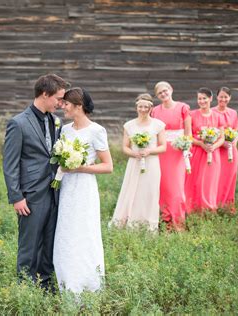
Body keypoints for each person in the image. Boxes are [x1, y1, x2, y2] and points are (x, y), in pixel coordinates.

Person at [3, 74, 68, 290]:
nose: (61, 103)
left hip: (54, 192)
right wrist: (16, 197)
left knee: (49, 243)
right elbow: (10, 164)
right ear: (44, 94)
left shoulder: (55, 121)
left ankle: (46, 287)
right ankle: (25, 289)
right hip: (30, 195)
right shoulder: (18, 123)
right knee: (29, 246)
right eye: (58, 98)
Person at [53, 88, 113, 294]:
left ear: (79, 106)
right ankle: (67, 280)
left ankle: (88, 282)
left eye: (67, 103)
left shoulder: (97, 131)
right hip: (67, 186)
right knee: (66, 231)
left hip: (85, 187)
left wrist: (80, 168)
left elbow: (108, 166)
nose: (63, 106)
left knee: (84, 231)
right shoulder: (65, 130)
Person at [110, 93, 166, 231]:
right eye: (140, 106)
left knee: (150, 192)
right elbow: (125, 147)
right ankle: (132, 222)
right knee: (132, 191)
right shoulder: (129, 125)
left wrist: (149, 151)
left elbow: (163, 146)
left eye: (146, 107)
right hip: (134, 163)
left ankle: (149, 224)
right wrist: (135, 153)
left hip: (152, 162)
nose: (143, 109)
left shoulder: (158, 125)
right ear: (136, 107)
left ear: (150, 107)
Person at [151, 81, 191, 230]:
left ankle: (178, 221)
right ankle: (165, 220)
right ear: (157, 96)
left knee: (177, 188)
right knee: (163, 186)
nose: (163, 94)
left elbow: (188, 131)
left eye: (165, 90)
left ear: (171, 89)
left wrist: (186, 147)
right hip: (161, 151)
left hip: (178, 151)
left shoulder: (183, 108)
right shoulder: (154, 111)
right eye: (160, 93)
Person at [185, 88, 224, 212]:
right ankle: (193, 208)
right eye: (199, 99)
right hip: (197, 152)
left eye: (204, 98)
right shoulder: (191, 114)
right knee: (195, 181)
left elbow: (222, 137)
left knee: (210, 181)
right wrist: (201, 144)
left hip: (213, 153)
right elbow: (188, 136)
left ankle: (209, 209)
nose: (201, 101)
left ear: (211, 99)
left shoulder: (218, 116)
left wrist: (214, 146)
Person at [213, 87, 238, 213]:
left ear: (230, 98)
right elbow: (209, 131)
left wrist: (234, 141)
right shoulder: (212, 112)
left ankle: (227, 206)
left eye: (226, 97)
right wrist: (221, 142)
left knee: (230, 177)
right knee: (217, 177)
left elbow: (236, 130)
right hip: (217, 150)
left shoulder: (233, 113)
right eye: (221, 96)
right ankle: (215, 204)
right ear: (217, 97)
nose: (223, 99)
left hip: (231, 150)